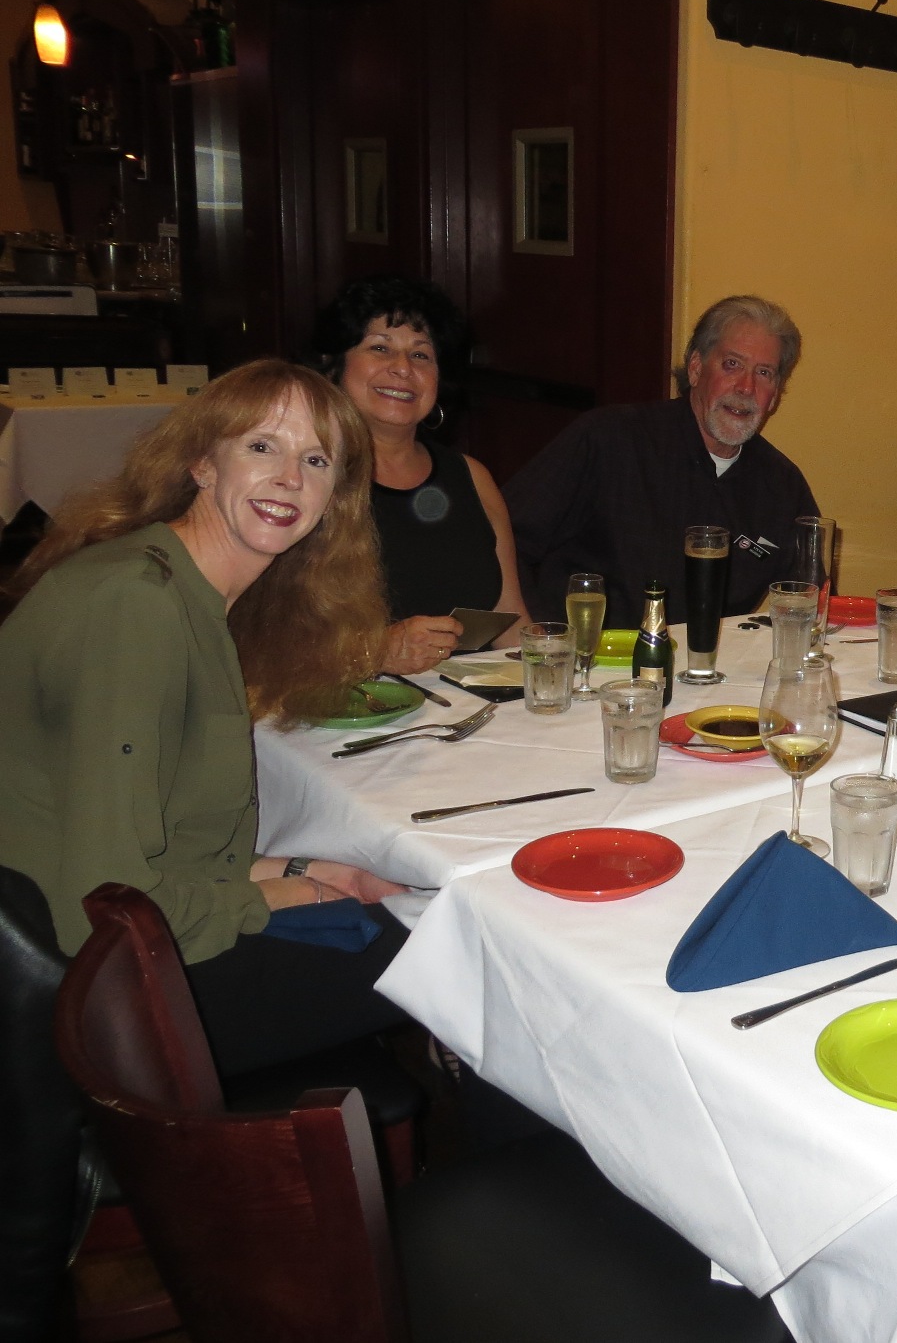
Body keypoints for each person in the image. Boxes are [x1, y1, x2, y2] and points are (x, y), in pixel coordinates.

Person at [0, 360, 414, 1077]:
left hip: (117, 947)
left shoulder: (188, 591)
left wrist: (306, 870)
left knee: (406, 917)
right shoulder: (135, 608)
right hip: (87, 999)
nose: (289, 478)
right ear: (201, 463)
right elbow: (103, 900)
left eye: (316, 460)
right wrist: (286, 893)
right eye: (261, 446)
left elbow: (169, 843)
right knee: (452, 962)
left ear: (335, 497)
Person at [505, 295, 818, 628]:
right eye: (732, 364)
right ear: (695, 368)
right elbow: (501, 540)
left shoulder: (782, 486)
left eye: (764, 373)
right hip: (591, 653)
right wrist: (533, 636)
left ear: (775, 395)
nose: (746, 387)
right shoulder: (609, 439)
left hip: (712, 659)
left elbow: (811, 601)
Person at [309, 275, 529, 675]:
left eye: (421, 355)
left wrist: (557, 666)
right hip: (348, 701)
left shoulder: (471, 477)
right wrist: (375, 651)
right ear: (334, 366)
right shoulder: (305, 476)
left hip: (468, 702)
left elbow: (510, 623)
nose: (402, 368)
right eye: (380, 348)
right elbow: (263, 636)